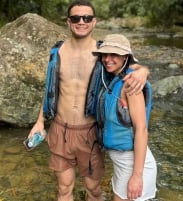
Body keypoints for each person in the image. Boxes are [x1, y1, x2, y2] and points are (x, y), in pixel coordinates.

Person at [27, 1, 150, 201]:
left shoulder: (105, 52)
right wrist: (40, 122)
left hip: (91, 132)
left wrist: (144, 72)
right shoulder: (57, 52)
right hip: (60, 130)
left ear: (94, 22)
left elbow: (133, 66)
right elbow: (50, 90)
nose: (81, 22)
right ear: (68, 22)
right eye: (76, 18)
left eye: (87, 18)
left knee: (93, 189)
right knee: (64, 188)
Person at [92, 34, 157, 201]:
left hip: (133, 164)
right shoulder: (114, 77)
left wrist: (136, 176)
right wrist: (144, 69)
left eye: (114, 54)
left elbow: (141, 130)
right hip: (123, 163)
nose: (107, 59)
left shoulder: (130, 84)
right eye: (105, 54)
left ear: (125, 57)